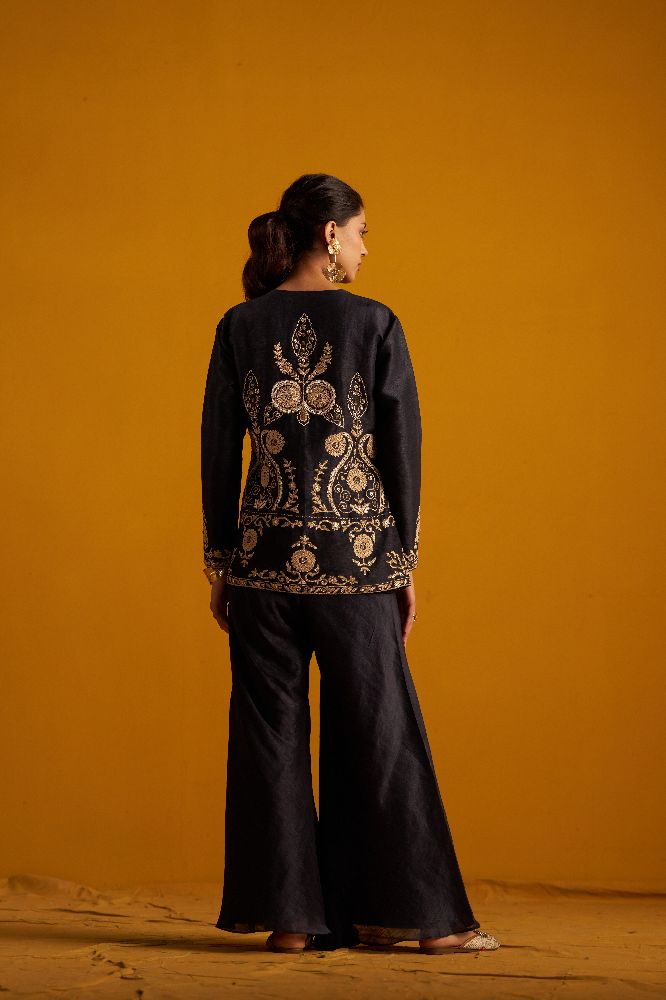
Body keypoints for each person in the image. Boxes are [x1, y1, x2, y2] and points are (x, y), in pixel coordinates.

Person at [200, 173, 501, 955]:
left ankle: (293, 923)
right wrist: (403, 564)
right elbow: (402, 451)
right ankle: (431, 924)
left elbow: (217, 449)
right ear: (330, 234)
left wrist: (222, 561)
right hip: (357, 561)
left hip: (263, 564)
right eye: (362, 233)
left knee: (269, 738)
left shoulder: (240, 326)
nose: (366, 250)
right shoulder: (373, 323)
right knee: (380, 733)